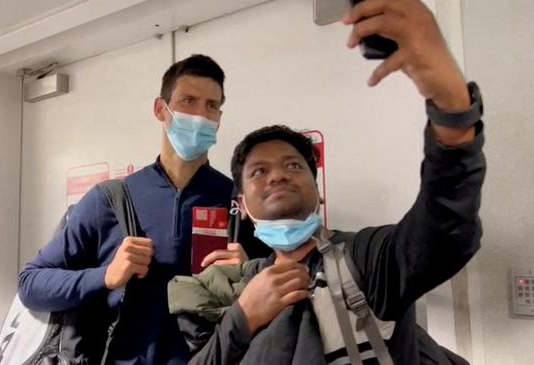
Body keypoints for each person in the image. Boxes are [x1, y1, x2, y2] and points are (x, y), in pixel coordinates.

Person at [167, 1, 486, 364]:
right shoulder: (242, 286)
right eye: (258, 171)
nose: (278, 174)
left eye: (293, 165)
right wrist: (243, 317)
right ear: (243, 206)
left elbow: (445, 225)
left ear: (317, 192)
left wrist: (451, 106)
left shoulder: (364, 260)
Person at [19, 54, 266, 365]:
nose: (200, 115)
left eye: (211, 106)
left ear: (219, 118)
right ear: (160, 109)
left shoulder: (240, 203)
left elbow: (285, 290)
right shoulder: (110, 199)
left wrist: (250, 273)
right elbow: (31, 284)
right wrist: (106, 277)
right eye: (188, 101)